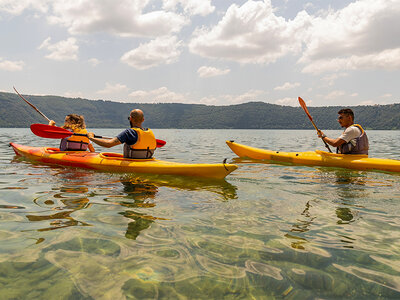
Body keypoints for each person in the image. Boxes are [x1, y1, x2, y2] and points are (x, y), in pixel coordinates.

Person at [87, 109, 156, 159]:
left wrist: (91, 138)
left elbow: (108, 144)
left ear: (131, 118)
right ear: (143, 119)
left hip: (133, 164)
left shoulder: (129, 133)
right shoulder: (149, 132)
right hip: (148, 162)